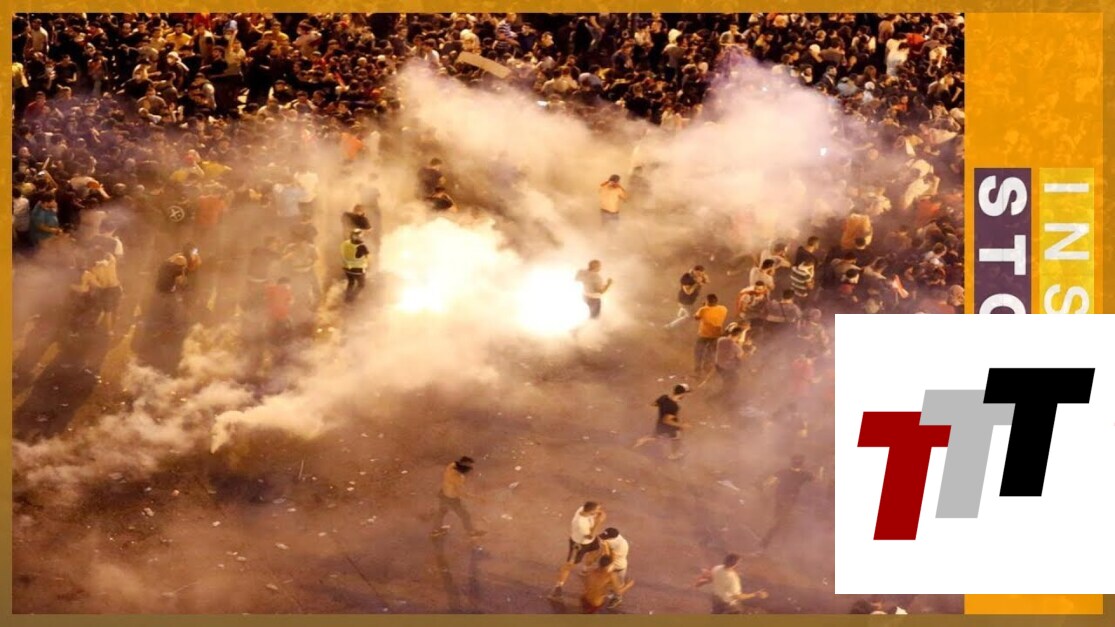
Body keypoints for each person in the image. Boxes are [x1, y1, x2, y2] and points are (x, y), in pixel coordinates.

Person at [551, 501, 607, 600]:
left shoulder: (583, 509)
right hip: (579, 544)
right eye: (597, 510)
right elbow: (591, 535)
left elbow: (597, 512)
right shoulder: (580, 523)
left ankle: (585, 569)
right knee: (569, 565)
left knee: (594, 552)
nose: (599, 511)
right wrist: (598, 523)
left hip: (590, 541)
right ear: (591, 512)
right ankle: (558, 586)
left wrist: (599, 513)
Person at [760, 454, 815, 549]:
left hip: (783, 500)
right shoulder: (804, 474)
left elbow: (769, 482)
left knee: (780, 521)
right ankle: (769, 541)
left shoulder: (783, 472)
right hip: (788, 501)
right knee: (781, 521)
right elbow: (816, 481)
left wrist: (764, 488)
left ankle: (769, 541)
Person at [430, 456, 486, 540]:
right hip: (452, 498)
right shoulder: (457, 478)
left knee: (442, 512)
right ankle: (471, 532)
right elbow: (462, 493)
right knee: (465, 515)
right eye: (469, 467)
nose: (470, 469)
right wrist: (478, 498)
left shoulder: (451, 466)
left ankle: (436, 530)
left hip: (443, 493)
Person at [695, 553, 769, 614]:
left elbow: (712, 579)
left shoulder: (717, 568)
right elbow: (737, 596)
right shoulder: (733, 579)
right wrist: (755, 594)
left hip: (717, 600)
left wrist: (701, 582)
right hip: (729, 606)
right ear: (736, 564)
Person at [634, 383, 691, 460]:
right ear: (682, 394)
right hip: (668, 427)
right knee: (677, 435)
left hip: (659, 424)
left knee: (654, 437)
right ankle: (673, 455)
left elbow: (653, 404)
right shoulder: (674, 406)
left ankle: (638, 442)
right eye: (685, 394)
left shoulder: (664, 397)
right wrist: (681, 425)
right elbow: (666, 420)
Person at [693, 294, 727, 375]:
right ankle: (707, 368)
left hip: (704, 335)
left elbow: (696, 317)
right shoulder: (723, 309)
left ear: (707, 301)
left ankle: (698, 368)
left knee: (698, 351)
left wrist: (704, 306)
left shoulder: (703, 310)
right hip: (716, 335)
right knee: (710, 352)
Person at [665, 264, 708, 329]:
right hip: (685, 300)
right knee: (689, 316)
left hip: (690, 300)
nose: (700, 275)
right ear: (694, 271)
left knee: (684, 310)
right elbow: (688, 292)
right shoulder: (686, 278)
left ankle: (679, 316)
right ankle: (670, 326)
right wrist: (697, 283)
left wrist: (704, 278)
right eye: (698, 273)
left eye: (701, 273)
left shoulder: (699, 276)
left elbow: (707, 281)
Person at [597, 527, 630, 609]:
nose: (604, 539)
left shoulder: (621, 545)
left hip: (618, 567)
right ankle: (611, 593)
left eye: (607, 537)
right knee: (608, 582)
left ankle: (618, 598)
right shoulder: (612, 539)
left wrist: (605, 547)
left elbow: (609, 558)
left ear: (613, 538)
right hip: (611, 566)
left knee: (617, 586)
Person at [341, 228, 370, 303]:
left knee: (351, 282)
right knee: (361, 284)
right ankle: (351, 299)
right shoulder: (362, 246)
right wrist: (367, 265)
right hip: (358, 270)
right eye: (360, 235)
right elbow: (368, 257)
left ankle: (346, 299)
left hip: (347, 268)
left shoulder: (345, 243)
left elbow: (343, 253)